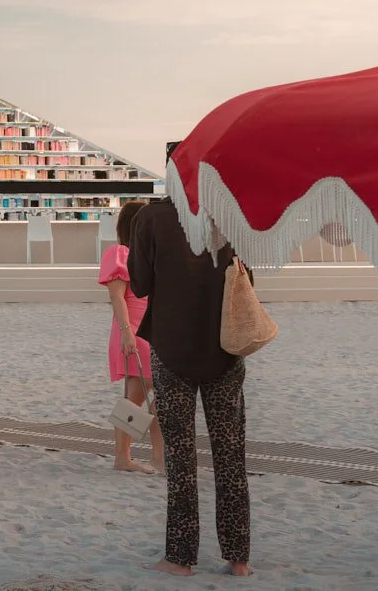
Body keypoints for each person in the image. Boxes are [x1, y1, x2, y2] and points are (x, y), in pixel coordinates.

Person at [128, 198, 254, 579]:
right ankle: (239, 559)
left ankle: (180, 559)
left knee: (181, 460)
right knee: (231, 456)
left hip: (172, 348)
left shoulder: (151, 216)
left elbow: (140, 282)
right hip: (224, 349)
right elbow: (248, 277)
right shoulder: (231, 214)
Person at [99, 201, 163, 474]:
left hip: (152, 330)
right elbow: (117, 297)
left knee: (157, 397)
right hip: (132, 330)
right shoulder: (120, 253)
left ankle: (156, 457)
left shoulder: (148, 256)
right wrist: (127, 333)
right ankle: (124, 457)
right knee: (137, 395)